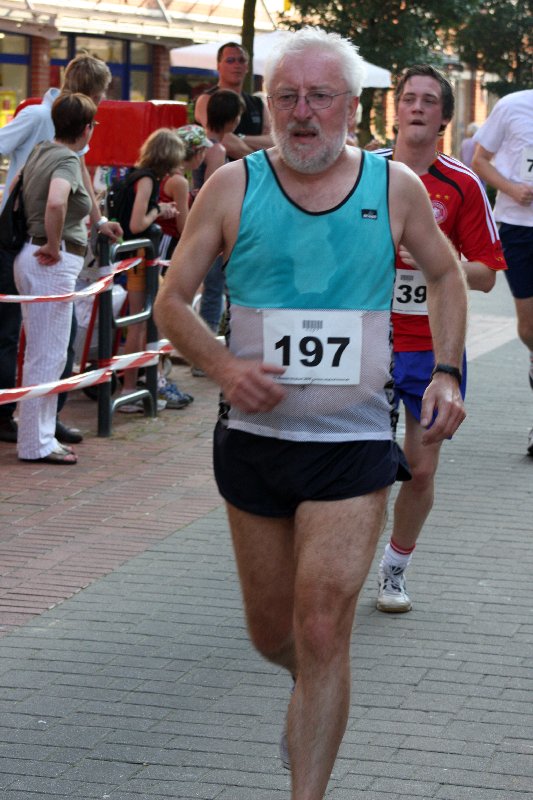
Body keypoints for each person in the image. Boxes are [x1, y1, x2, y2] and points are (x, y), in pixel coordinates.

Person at [154, 27, 467, 799]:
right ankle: (312, 689)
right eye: (286, 97)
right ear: (267, 103)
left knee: (323, 624)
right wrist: (223, 365)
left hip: (352, 444)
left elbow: (445, 274)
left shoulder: (394, 188)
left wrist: (447, 371)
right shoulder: (232, 187)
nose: (301, 113)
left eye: (319, 97)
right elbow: (171, 302)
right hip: (254, 442)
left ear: (350, 106)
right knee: (274, 635)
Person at [372, 65, 507, 613]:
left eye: (429, 100)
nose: (417, 107)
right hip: (367, 338)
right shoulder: (364, 173)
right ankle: (343, 560)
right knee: (358, 465)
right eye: (409, 98)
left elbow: (487, 273)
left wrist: (440, 261)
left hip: (430, 344)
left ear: (445, 118)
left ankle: (394, 568)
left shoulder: (462, 184)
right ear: (396, 111)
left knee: (421, 468)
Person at [0, 53, 121, 446]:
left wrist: (98, 221)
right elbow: (54, 188)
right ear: (87, 92)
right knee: (19, 335)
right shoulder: (42, 117)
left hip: (38, 240)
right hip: (25, 239)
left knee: (51, 342)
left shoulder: (69, 131)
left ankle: (44, 418)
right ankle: (20, 421)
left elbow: (78, 174)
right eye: (100, 95)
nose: (102, 103)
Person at [14, 93, 97, 464]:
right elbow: (56, 200)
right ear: (86, 128)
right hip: (51, 258)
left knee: (41, 354)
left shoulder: (40, 150)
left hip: (31, 257)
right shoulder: (66, 159)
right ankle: (38, 443)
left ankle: (37, 438)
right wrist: (51, 241)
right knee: (48, 356)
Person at [472, 90, 533, 456]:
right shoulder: (511, 106)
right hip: (518, 228)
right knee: (528, 327)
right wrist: (512, 188)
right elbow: (480, 160)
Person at [115, 127, 193, 413]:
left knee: (143, 322)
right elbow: (137, 223)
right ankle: (132, 388)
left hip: (136, 258)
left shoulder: (137, 175)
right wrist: (159, 211)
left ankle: (137, 385)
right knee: (142, 324)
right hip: (140, 258)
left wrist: (158, 208)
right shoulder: (147, 179)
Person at [190, 91, 245, 358]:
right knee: (214, 290)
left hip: (197, 224)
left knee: (211, 290)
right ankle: (206, 355)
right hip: (211, 229)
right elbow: (212, 194)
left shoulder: (198, 142)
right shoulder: (217, 149)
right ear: (232, 120)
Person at [193, 41, 272, 160]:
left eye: (241, 60)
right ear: (218, 66)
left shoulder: (258, 103)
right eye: (230, 60)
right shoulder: (207, 99)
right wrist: (258, 163)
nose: (237, 65)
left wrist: (240, 138)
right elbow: (221, 138)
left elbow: (272, 142)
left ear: (247, 67)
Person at [158, 124, 211, 262]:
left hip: (160, 238)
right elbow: (183, 227)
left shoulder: (168, 171)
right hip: (167, 241)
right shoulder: (179, 181)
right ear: (198, 153)